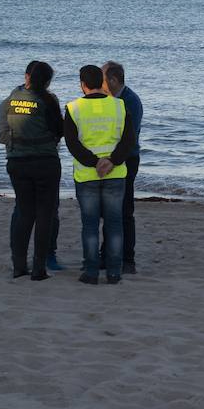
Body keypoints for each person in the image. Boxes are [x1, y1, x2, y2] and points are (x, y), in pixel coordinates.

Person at [64, 65, 136, 285]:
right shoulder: (119, 105)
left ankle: (92, 272)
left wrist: (95, 162)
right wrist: (111, 161)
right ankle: (114, 272)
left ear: (82, 84)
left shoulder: (73, 108)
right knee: (114, 224)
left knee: (90, 224)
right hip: (115, 173)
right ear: (102, 82)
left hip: (87, 175)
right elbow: (129, 140)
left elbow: (72, 143)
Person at [0, 61, 64, 280]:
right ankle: (39, 268)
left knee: (24, 213)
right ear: (47, 82)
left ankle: (18, 267)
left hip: (17, 162)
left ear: (26, 76)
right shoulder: (48, 100)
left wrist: (18, 144)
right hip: (45, 162)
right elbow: (59, 131)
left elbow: (1, 135)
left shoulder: (8, 101)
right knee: (45, 214)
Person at [103, 60, 143, 274]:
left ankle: (128, 259)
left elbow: (129, 138)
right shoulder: (109, 100)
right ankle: (106, 254)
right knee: (108, 209)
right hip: (110, 158)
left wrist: (113, 160)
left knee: (125, 209)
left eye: (103, 79)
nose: (100, 84)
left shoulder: (130, 101)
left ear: (114, 80)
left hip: (127, 159)